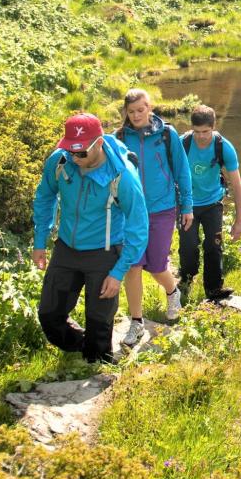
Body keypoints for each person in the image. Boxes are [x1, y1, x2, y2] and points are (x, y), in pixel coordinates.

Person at [31, 112, 148, 364]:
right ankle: (82, 346)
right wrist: (40, 240)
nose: (75, 158)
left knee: (99, 325)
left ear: (99, 143)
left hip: (104, 253)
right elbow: (44, 197)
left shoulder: (123, 176)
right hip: (66, 249)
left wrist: (118, 273)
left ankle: (98, 362)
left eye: (81, 153)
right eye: (70, 151)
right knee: (49, 316)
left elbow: (138, 228)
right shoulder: (60, 162)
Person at [116, 88, 192, 346]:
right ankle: (136, 323)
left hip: (162, 208)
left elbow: (182, 171)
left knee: (157, 266)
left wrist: (188, 206)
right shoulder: (119, 138)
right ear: (126, 112)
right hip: (131, 211)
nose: (137, 115)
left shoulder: (167, 135)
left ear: (150, 108)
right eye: (132, 111)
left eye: (141, 109)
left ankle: (172, 291)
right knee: (133, 265)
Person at [178, 104, 241, 305]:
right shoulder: (183, 143)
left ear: (214, 127)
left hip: (212, 202)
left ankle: (214, 288)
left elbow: (238, 185)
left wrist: (239, 221)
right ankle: (187, 279)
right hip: (187, 204)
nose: (201, 136)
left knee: (214, 245)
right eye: (197, 131)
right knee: (188, 247)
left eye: (205, 131)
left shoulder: (223, 147)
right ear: (192, 128)